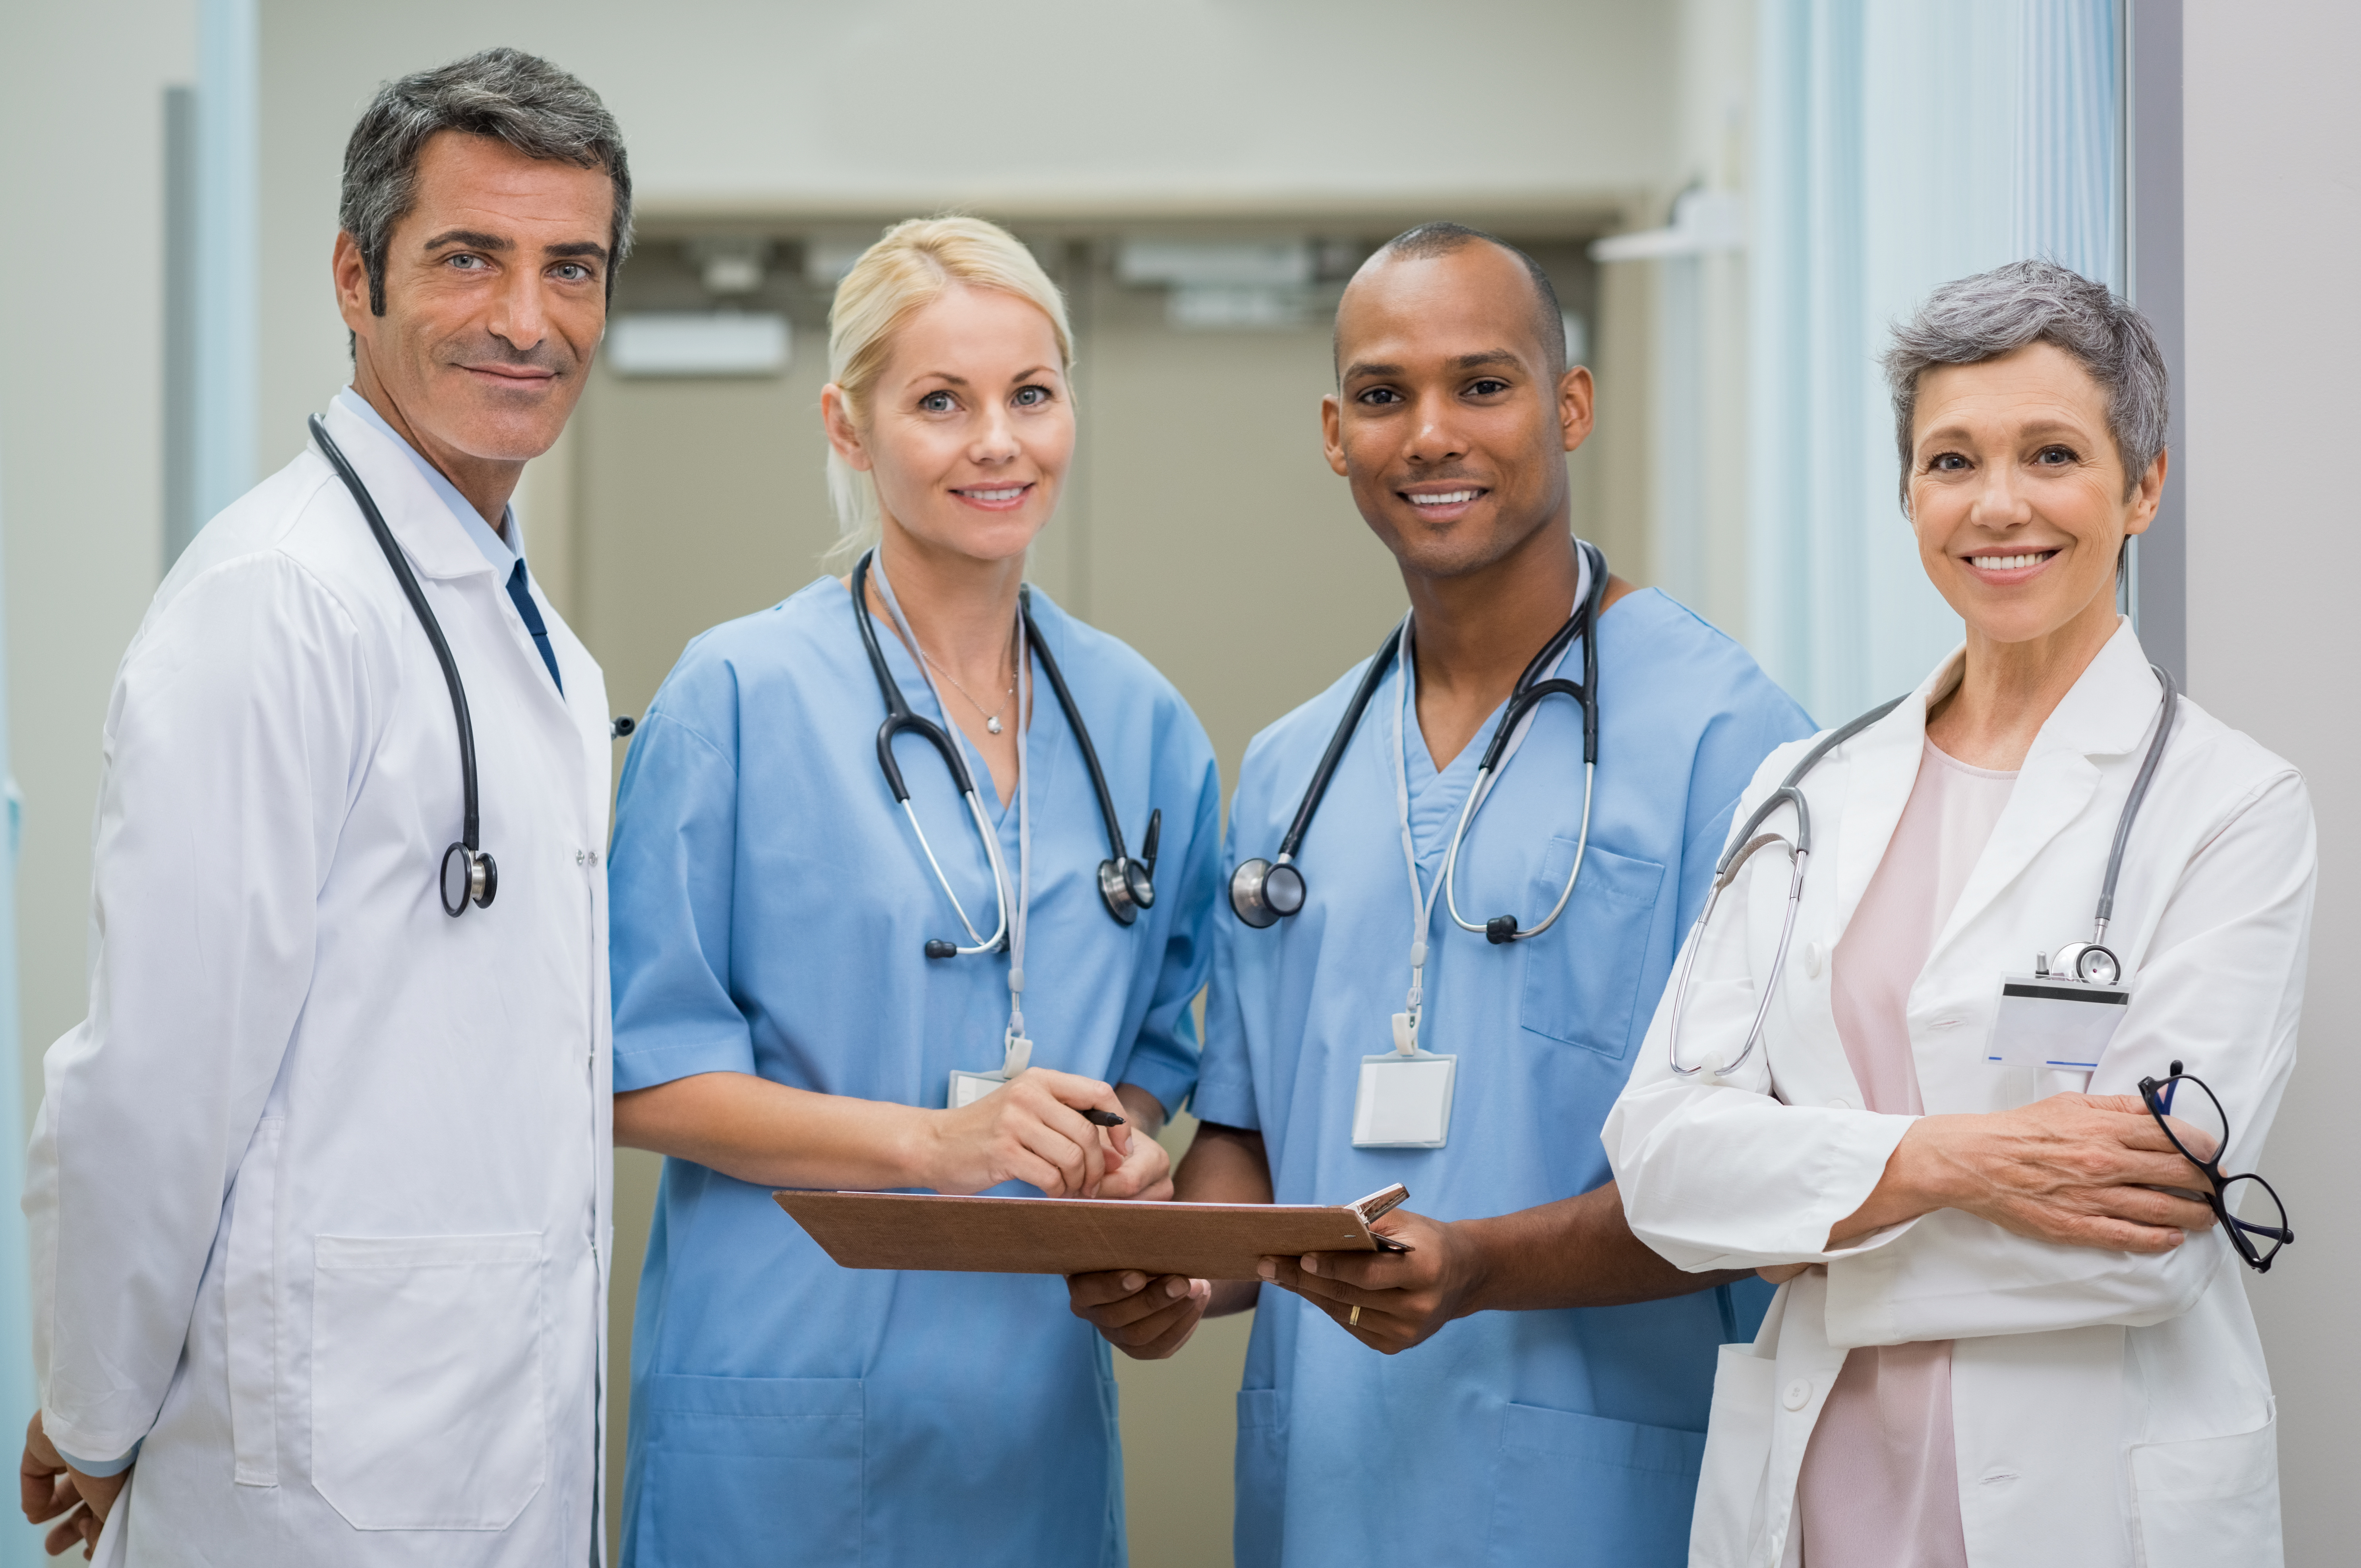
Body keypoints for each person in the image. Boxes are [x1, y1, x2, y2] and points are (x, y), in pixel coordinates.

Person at [1067, 223, 1815, 1566]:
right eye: (1382, 394)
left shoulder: (1731, 737)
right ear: (1333, 433)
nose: (1430, 434)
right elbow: (1245, 1145)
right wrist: (1176, 1263)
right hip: (1334, 1494)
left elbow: (1767, 1172)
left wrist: (1477, 1266)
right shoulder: (1296, 768)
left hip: (1603, 1490)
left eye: (1483, 384)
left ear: (1570, 404)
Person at [17, 48, 629, 1566]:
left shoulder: (540, 647)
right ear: (355, 279)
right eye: (469, 257)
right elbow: (154, 1079)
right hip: (314, 1478)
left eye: (574, 268)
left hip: (486, 1440)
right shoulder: (277, 598)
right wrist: (92, 1411)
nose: (526, 319)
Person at [1604, 259, 2310, 1566]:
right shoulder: (1809, 787)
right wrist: (1959, 1161)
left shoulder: (2231, 806)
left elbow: (2144, 1250)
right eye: (1950, 461)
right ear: (1908, 493)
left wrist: (1813, 1233)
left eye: (2052, 454)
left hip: (2090, 1495)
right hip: (1820, 1494)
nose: (1999, 506)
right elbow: (1661, 1165)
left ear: (2142, 487)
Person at [605, 216, 1221, 1566]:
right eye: (940, 401)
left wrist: (1127, 1159)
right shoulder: (736, 697)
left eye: (1032, 395)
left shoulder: (1145, 724)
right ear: (848, 423)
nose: (997, 441)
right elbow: (634, 1074)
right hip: (775, 1396)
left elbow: (1164, 1048)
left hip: (1026, 1417)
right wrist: (937, 1147)